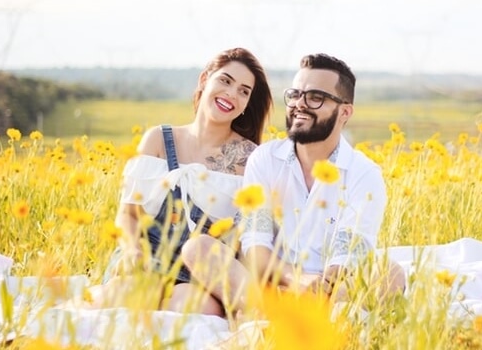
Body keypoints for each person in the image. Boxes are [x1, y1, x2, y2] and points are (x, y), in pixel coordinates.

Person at [181, 53, 405, 312]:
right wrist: (294, 280)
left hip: (332, 293)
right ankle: (275, 317)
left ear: (344, 112)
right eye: (295, 95)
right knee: (198, 248)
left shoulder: (363, 174)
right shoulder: (264, 160)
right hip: (271, 288)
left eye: (315, 97)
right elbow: (255, 245)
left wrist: (318, 289)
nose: (300, 104)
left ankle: (311, 322)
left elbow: (350, 254)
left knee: (389, 272)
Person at [98, 47, 273, 316]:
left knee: (189, 309)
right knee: (126, 298)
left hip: (200, 272)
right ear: (205, 79)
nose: (231, 94)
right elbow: (128, 215)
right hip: (146, 256)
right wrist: (133, 251)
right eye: (225, 80)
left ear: (247, 103)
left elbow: (250, 236)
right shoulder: (158, 139)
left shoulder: (251, 159)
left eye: (243, 91)